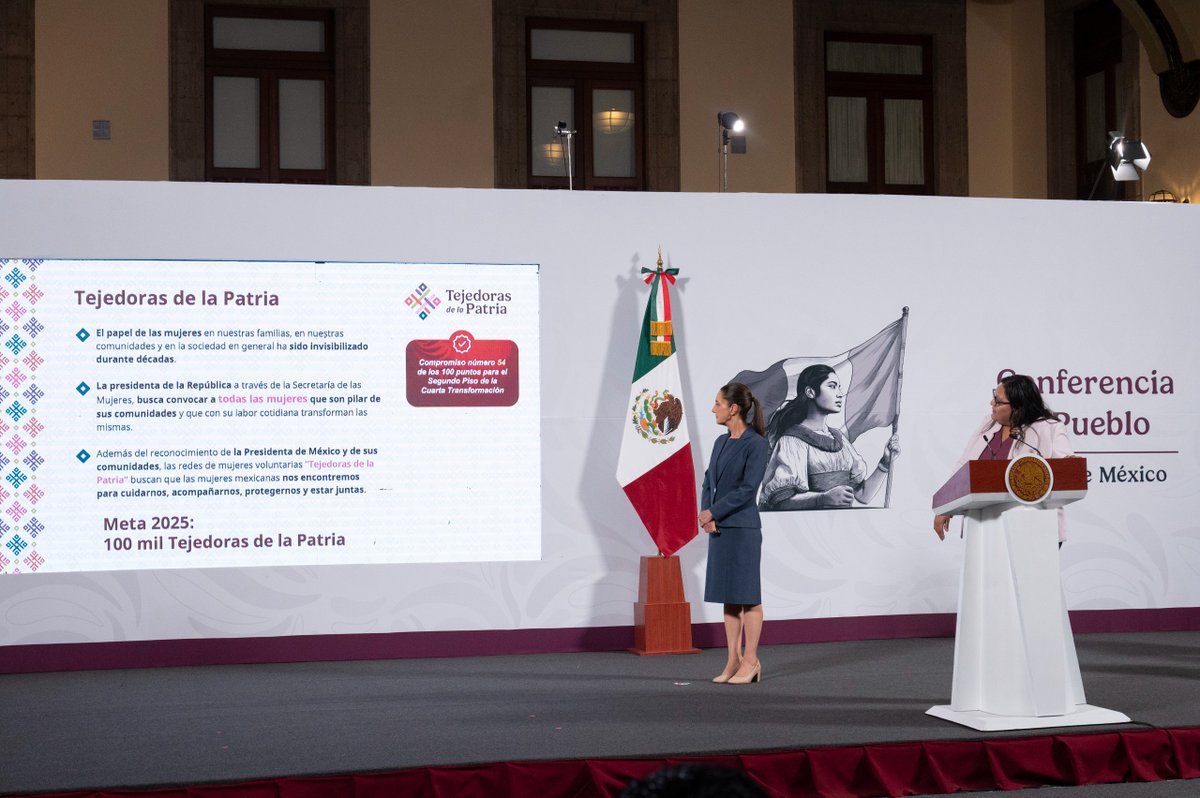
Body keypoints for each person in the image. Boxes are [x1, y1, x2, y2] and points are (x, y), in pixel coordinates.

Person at [933, 373, 1073, 541]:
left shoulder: (1050, 428)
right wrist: (946, 506)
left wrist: (1069, 464)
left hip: (1033, 530)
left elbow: (1067, 473)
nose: (992, 403)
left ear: (1018, 406)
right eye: (994, 398)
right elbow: (964, 465)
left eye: (998, 402)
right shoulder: (988, 423)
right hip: (982, 527)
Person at [699, 382, 770, 685]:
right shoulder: (720, 442)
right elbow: (708, 481)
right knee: (729, 597)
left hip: (742, 530)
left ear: (734, 408)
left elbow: (747, 490)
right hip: (720, 529)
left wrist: (714, 512)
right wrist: (706, 515)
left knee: (748, 597)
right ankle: (733, 659)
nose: (713, 409)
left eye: (718, 403)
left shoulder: (756, 444)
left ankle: (751, 660)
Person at [758, 364, 899, 511]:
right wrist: (822, 498)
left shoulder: (840, 439)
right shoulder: (792, 441)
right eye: (832, 386)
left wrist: (885, 462)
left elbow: (863, 495)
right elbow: (780, 502)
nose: (839, 394)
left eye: (839, 387)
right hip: (808, 524)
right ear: (810, 392)